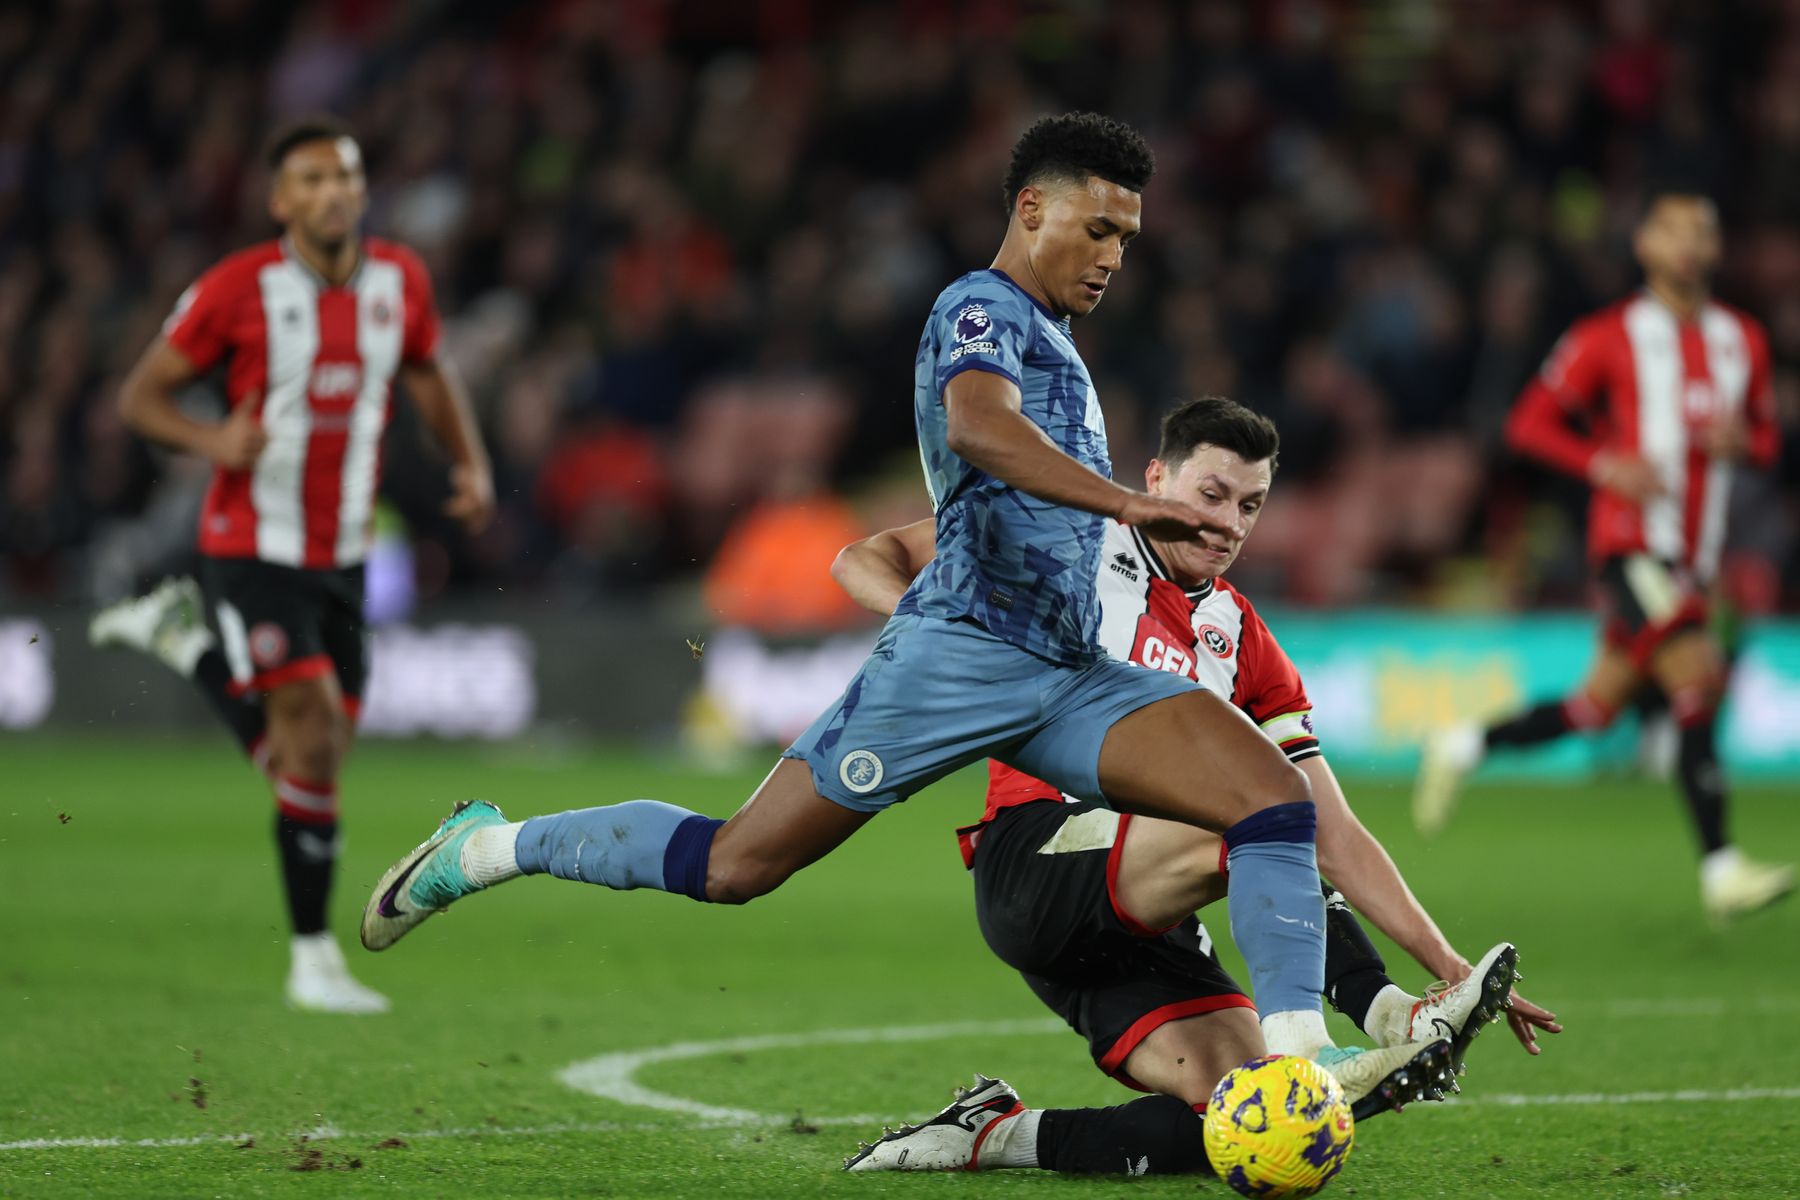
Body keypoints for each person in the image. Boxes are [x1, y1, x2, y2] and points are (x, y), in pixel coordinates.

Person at [361, 113, 1367, 1080]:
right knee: (736, 866)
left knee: (1269, 797)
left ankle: (1298, 1060)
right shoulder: (980, 308)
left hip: (1067, 672)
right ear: (1030, 209)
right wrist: (1125, 503)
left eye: (1127, 237)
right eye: (1096, 228)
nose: (1111, 255)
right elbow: (977, 427)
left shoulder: (1060, 340)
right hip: (962, 654)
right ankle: (488, 847)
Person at [834, 396, 1558, 1176]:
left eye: (1250, 505)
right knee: (1259, 809)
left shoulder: (1243, 638)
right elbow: (862, 558)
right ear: (1155, 478)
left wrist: (1448, 966)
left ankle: (992, 1134)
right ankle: (1357, 1025)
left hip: (1152, 919)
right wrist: (936, 626)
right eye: (1210, 494)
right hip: (1040, 864)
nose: (1230, 522)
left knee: (1255, 1125)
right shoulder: (1070, 539)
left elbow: (1337, 834)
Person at [88, 117, 495, 1012]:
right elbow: (140, 395)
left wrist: (469, 460)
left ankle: (184, 641)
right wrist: (211, 438)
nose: (331, 193)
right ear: (281, 201)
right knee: (308, 733)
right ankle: (313, 958)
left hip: (345, 551)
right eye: (310, 180)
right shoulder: (238, 289)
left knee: (313, 762)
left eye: (344, 176)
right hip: (251, 545)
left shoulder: (400, 282)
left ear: (363, 190)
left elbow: (427, 371)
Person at [1412, 190, 1792, 924]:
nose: (1689, 244)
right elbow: (1527, 423)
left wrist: (1742, 445)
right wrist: (1602, 464)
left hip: (1694, 556)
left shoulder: (1742, 339)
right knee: (1698, 676)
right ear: (1645, 245)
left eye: (1703, 232)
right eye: (1673, 230)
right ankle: (1721, 867)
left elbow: (1769, 438)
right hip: (1630, 547)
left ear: (1715, 250)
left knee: (1592, 710)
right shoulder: (1609, 335)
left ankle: (1460, 741)